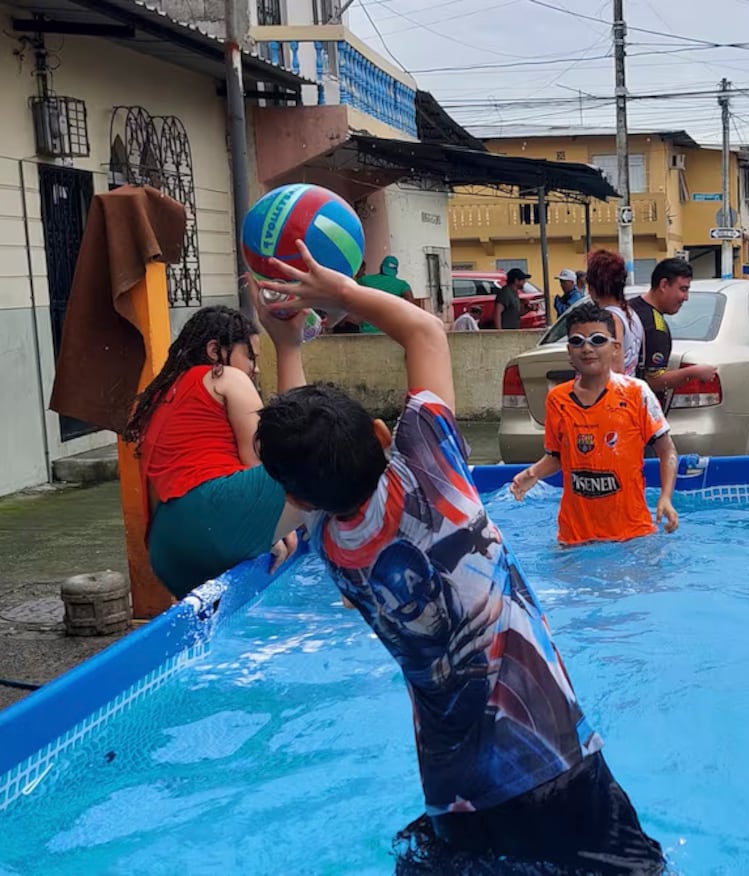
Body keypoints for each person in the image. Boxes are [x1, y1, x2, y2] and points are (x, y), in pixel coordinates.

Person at [253, 244, 665, 874]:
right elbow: (421, 329)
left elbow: (302, 461)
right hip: (551, 756)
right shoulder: (430, 467)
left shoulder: (335, 550)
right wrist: (340, 293)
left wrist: (287, 350)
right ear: (382, 435)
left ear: (297, 497)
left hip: (455, 795)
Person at [124, 300, 307, 598]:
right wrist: (289, 347)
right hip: (212, 513)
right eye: (250, 357)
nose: (255, 369)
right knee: (326, 451)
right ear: (214, 351)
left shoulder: (160, 393)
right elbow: (273, 454)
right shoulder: (225, 376)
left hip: (166, 547)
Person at [509, 301, 679, 546]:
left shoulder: (635, 393)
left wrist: (665, 497)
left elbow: (667, 451)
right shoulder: (558, 399)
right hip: (574, 537)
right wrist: (531, 474)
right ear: (569, 350)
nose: (587, 348)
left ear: (615, 348)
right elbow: (558, 455)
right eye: (578, 341)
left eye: (597, 340)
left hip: (631, 535)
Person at [630, 258, 717, 410]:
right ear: (663, 285)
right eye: (683, 289)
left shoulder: (630, 307)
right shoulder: (655, 327)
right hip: (640, 415)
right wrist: (695, 372)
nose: (686, 297)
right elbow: (653, 381)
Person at [586, 249, 644, 376]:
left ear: (591, 289)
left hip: (611, 393)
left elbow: (616, 368)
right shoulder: (631, 314)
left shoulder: (608, 319)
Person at [359, 255, 414, 333]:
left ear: (381, 267)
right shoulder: (402, 285)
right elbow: (410, 302)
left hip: (368, 331)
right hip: (391, 331)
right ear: (396, 271)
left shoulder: (365, 280)